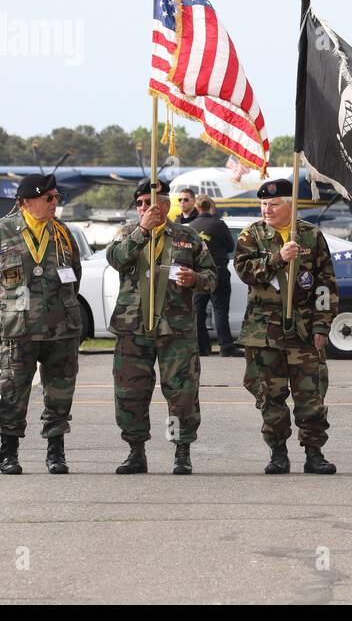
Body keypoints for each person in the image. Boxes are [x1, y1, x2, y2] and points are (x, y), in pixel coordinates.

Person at [0, 175, 82, 474]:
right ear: (27, 201)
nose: (55, 203)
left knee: (59, 396)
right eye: (49, 198)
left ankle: (56, 453)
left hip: (60, 329)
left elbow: (75, 275)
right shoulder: (0, 233)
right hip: (18, 330)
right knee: (13, 394)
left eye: (56, 197)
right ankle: (9, 453)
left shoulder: (63, 233)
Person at [105, 177, 216, 475]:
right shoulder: (127, 233)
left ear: (165, 204)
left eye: (150, 203)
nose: (144, 207)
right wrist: (142, 231)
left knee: (181, 393)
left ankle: (182, 451)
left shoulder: (187, 236)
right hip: (133, 328)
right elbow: (115, 259)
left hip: (175, 328)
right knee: (131, 393)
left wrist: (195, 279)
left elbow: (211, 276)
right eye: (139, 204)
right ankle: (135, 451)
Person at [232, 178, 338, 475]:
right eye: (264, 204)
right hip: (264, 332)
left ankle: (314, 453)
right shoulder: (251, 235)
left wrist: (322, 326)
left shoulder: (310, 236)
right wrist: (279, 258)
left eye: (274, 204)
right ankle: (277, 452)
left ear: (290, 205)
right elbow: (244, 271)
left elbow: (325, 285)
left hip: (303, 331)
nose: (267, 209)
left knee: (310, 394)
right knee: (270, 395)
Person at [189, 195, 239, 357]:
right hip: (218, 271)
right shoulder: (219, 224)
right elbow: (231, 246)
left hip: (199, 273)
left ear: (197, 208)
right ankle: (226, 346)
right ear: (211, 206)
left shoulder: (191, 226)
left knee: (198, 312)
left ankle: (202, 347)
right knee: (220, 310)